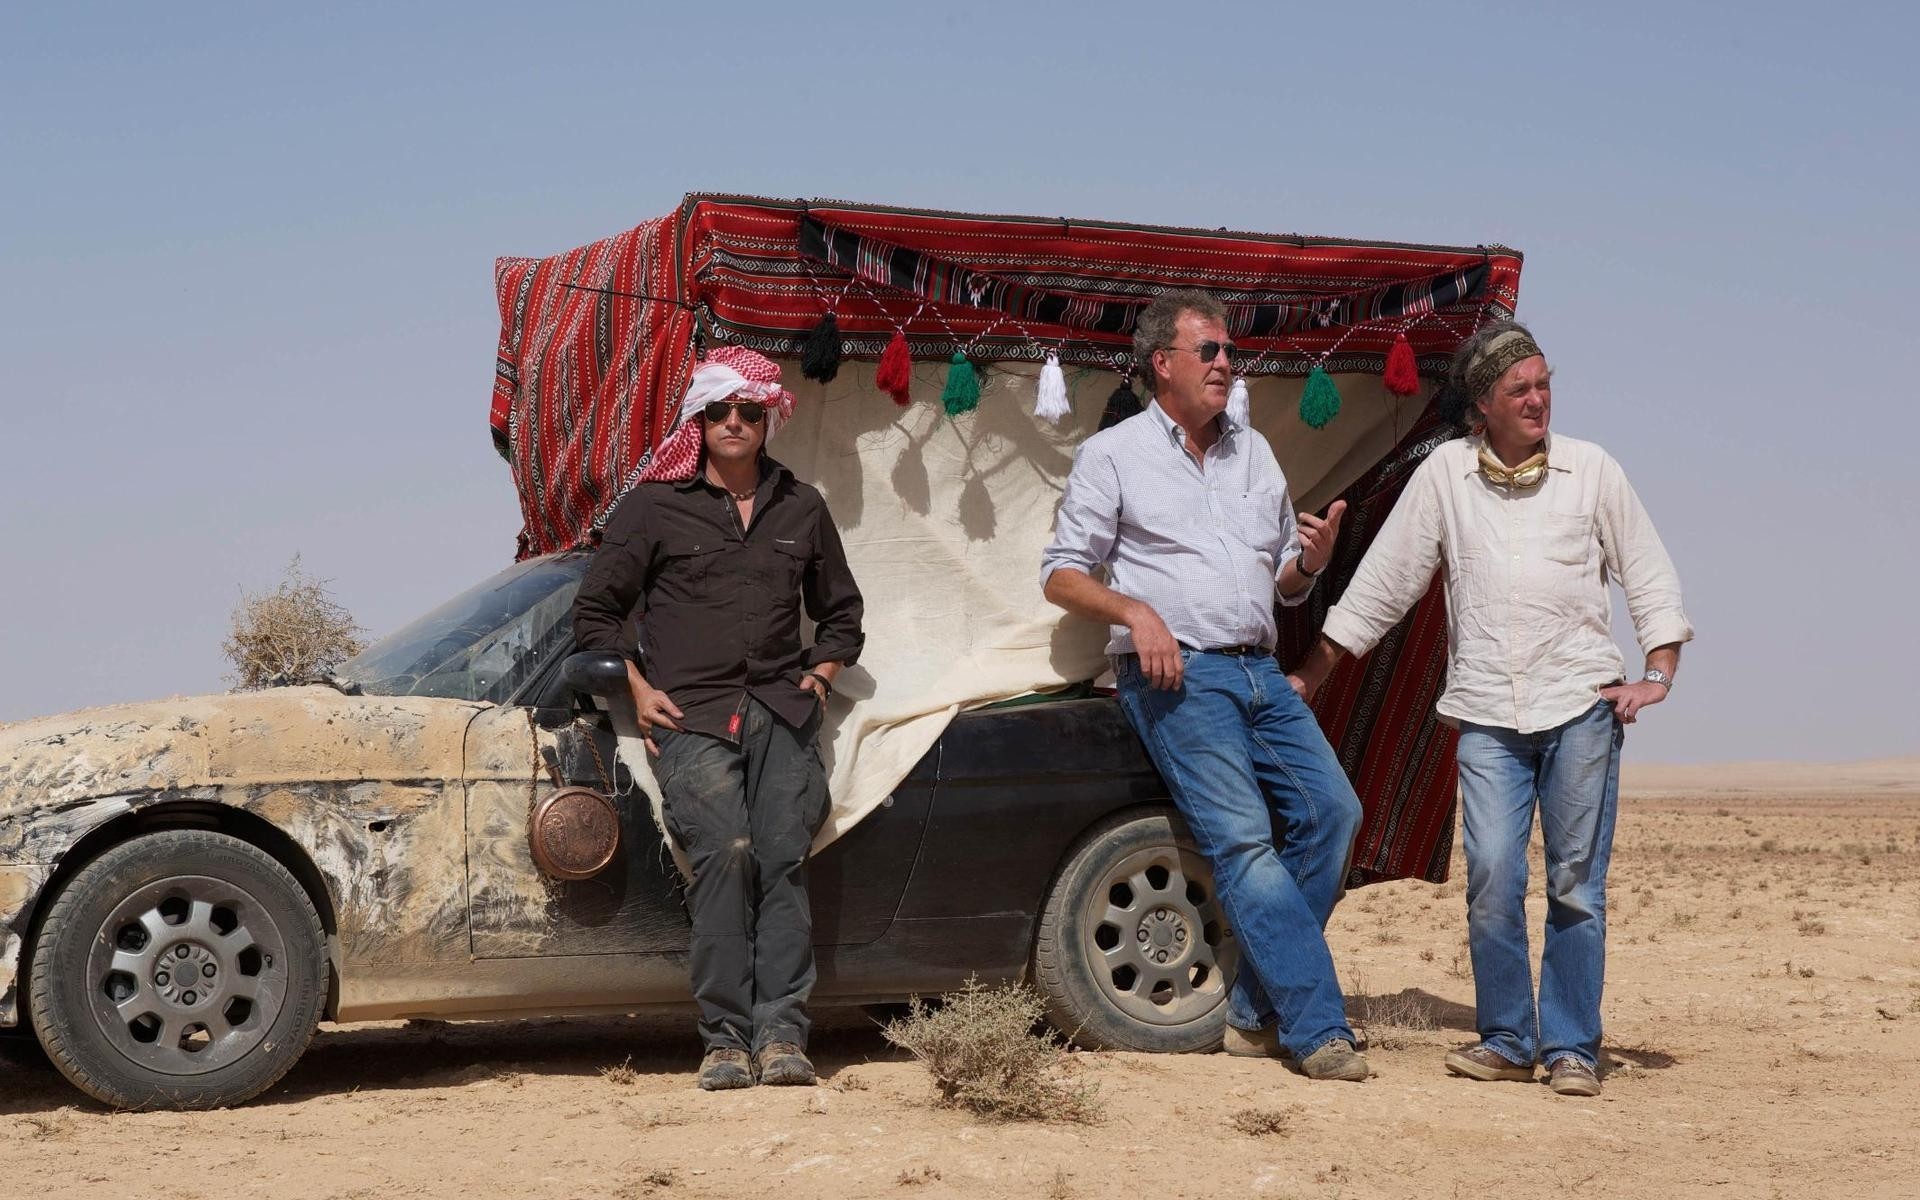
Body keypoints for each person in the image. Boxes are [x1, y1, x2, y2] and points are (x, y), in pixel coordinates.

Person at [1289, 321, 1692, 1097]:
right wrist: (1313, 672)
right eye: (1520, 390)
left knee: (1576, 884)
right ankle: (1508, 1036)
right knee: (1495, 879)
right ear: (1484, 406)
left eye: (1544, 384)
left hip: (1580, 706)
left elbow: (1649, 574)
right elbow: (1384, 584)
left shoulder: (1592, 471)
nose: (1538, 399)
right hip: (1486, 716)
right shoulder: (1446, 476)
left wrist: (1658, 672)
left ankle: (1571, 1045)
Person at [1040, 289, 1369, 1082]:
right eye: (1210, 351)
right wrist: (1135, 611)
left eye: (1229, 352)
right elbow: (1060, 575)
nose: (1227, 363)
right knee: (1245, 842)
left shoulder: (1254, 452)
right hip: (1177, 675)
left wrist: (1311, 563)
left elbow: (1284, 583)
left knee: (1333, 814)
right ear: (1163, 364)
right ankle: (1319, 1026)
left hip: (1261, 670)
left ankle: (1253, 1010)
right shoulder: (1113, 454)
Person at [572, 345, 864, 1091]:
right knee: (727, 851)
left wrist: (820, 676)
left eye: (749, 411)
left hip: (779, 709)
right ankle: (726, 1039)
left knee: (780, 855)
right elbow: (597, 613)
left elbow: (842, 615)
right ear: (698, 421)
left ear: (768, 420)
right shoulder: (653, 507)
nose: (734, 421)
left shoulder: (802, 506)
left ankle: (784, 1039)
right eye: (719, 410)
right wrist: (635, 687)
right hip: (691, 716)